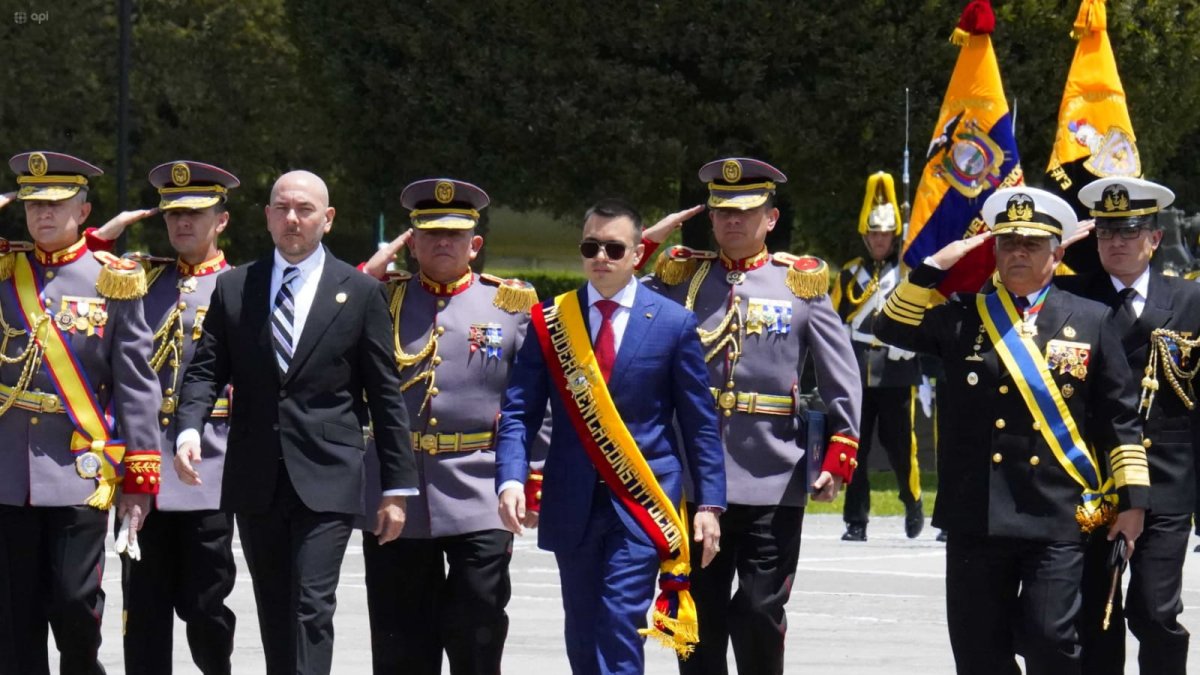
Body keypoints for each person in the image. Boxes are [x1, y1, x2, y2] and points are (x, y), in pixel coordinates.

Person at [875, 186, 1148, 674]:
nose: (1018, 253)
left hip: (1058, 513)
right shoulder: (963, 315)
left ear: (1057, 253)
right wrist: (935, 264)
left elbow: (1118, 417)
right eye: (1008, 243)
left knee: (1051, 641)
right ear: (994, 250)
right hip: (976, 512)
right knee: (979, 650)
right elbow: (890, 327)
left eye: (1032, 244)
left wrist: (1132, 503)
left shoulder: (1091, 318)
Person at [174, 169, 417, 675]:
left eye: (305, 210)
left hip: (328, 473)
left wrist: (396, 485)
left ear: (326, 219)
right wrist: (190, 428)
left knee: (312, 603)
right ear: (266, 217)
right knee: (274, 606)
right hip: (256, 475)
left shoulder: (360, 292)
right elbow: (204, 369)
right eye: (282, 208)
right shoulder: (235, 287)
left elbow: (385, 394)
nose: (292, 219)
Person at [642, 158, 862, 675]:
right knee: (697, 617)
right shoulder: (682, 277)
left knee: (760, 610)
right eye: (721, 212)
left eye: (746, 212)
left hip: (773, 475)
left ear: (771, 218)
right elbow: (612, 288)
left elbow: (840, 374)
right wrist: (647, 243)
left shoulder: (799, 284)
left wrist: (841, 448)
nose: (732, 221)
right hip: (695, 479)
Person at [495, 198, 726, 675]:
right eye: (591, 246)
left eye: (614, 248)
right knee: (582, 629)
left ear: (638, 253)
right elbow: (519, 410)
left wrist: (708, 505)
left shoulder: (671, 323)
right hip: (571, 500)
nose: (601, 256)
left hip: (640, 503)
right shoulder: (550, 321)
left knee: (620, 620)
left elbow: (700, 424)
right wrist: (511, 479)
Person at [355, 178, 544, 675]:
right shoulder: (379, 301)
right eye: (430, 232)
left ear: (474, 244)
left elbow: (534, 402)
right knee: (400, 641)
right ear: (411, 241)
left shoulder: (512, 306)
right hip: (395, 490)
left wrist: (529, 475)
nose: (443, 242)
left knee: (477, 628)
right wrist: (364, 275)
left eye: (455, 234)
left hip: (479, 487)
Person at [0, 151, 162, 674]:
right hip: (7, 472)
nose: (42, 214)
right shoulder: (5, 272)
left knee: (74, 604)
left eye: (57, 203)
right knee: (12, 618)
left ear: (84, 210)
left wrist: (140, 475)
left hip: (78, 472)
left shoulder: (112, 279)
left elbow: (136, 384)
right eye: (33, 204)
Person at [87, 160, 241, 674]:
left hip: (209, 465)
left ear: (221, 220)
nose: (182, 224)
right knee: (143, 607)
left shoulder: (240, 286)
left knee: (206, 605)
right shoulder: (138, 278)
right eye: (174, 214)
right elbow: (70, 270)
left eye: (196, 215)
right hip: (145, 463)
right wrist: (96, 237)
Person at [1060, 177, 1200, 675]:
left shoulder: (1189, 301)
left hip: (1165, 480)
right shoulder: (1069, 295)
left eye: (1129, 232)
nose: (1116, 243)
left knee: (1155, 609)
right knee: (1094, 615)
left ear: (1155, 238)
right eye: (1105, 233)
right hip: (1093, 482)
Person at [830, 171, 925, 541]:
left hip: (897, 368)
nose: (878, 240)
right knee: (855, 446)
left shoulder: (908, 272)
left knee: (902, 445)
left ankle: (913, 500)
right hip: (858, 367)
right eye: (873, 234)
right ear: (865, 236)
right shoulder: (851, 274)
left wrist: (911, 342)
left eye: (884, 234)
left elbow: (922, 315)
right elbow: (836, 322)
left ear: (893, 235)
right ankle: (856, 520)